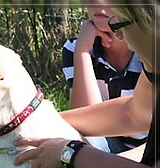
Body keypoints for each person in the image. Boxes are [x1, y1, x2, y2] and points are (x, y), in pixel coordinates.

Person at [14, 3, 159, 168]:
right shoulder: (155, 62)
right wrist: (36, 120)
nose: (120, 35)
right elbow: (134, 113)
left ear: (151, 21)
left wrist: (70, 153)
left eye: (121, 23)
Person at [62, 4, 147, 154]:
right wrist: (82, 50)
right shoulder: (74, 47)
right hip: (107, 152)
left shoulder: (150, 51)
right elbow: (85, 124)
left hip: (147, 156)